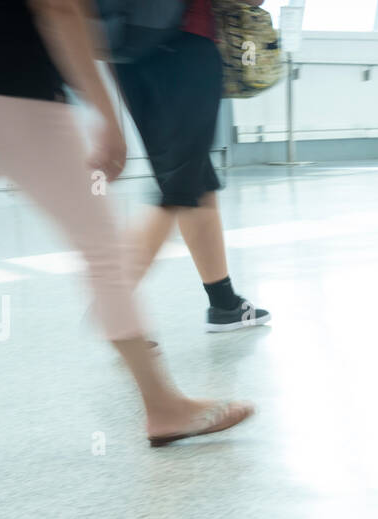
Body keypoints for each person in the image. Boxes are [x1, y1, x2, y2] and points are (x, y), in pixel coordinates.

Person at [0, 0, 253, 485]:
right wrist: (106, 114)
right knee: (101, 249)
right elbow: (60, 7)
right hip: (7, 88)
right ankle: (164, 406)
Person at [112, 0, 271, 333]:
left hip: (129, 53)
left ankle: (224, 303)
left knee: (196, 179)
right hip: (187, 47)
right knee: (178, 189)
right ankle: (110, 306)